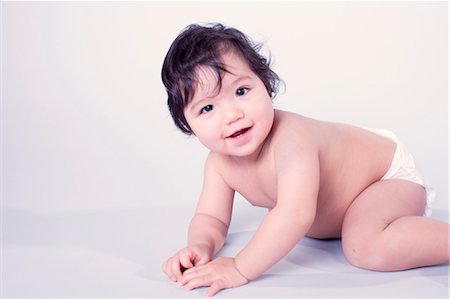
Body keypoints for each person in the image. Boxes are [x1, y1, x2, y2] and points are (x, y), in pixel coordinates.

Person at [160, 23, 449, 296]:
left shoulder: (291, 140)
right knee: (355, 234)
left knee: (364, 245)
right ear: (187, 125)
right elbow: (211, 217)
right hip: (350, 202)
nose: (232, 114)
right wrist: (200, 245)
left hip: (385, 177)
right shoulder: (219, 165)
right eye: (208, 108)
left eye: (241, 91)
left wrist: (239, 267)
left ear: (266, 85)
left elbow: (295, 214)